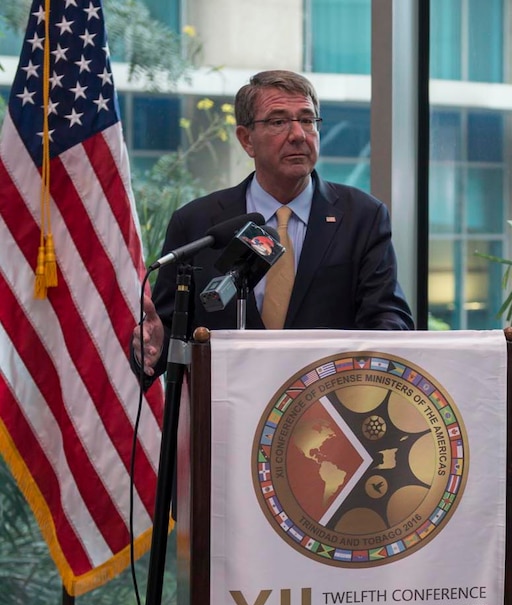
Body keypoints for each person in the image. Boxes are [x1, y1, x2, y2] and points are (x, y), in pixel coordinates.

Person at [132, 70, 413, 378]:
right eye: (279, 122)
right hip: (227, 408)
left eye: (307, 120)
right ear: (246, 139)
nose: (298, 135)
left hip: (326, 408)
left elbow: (387, 316)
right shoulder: (199, 223)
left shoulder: (362, 216)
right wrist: (153, 346)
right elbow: (169, 330)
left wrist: (383, 351)